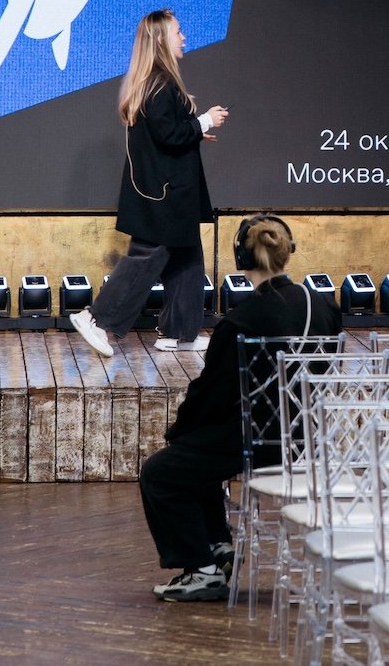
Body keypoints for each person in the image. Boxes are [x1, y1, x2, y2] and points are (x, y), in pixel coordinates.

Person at [138, 212, 342, 602]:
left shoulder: (240, 321)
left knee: (161, 472)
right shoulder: (323, 307)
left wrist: (180, 430)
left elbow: (212, 394)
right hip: (307, 438)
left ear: (242, 259)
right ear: (287, 251)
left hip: (256, 441)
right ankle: (216, 547)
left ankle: (202, 568)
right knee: (193, 454)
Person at [70, 9, 228, 358]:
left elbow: (164, 132)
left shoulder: (156, 82)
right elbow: (168, 134)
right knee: (148, 256)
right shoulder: (159, 83)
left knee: (187, 257)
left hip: (170, 190)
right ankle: (96, 318)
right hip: (164, 193)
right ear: (160, 40)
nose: (184, 38)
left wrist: (194, 131)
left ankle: (179, 333)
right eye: (178, 32)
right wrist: (203, 121)